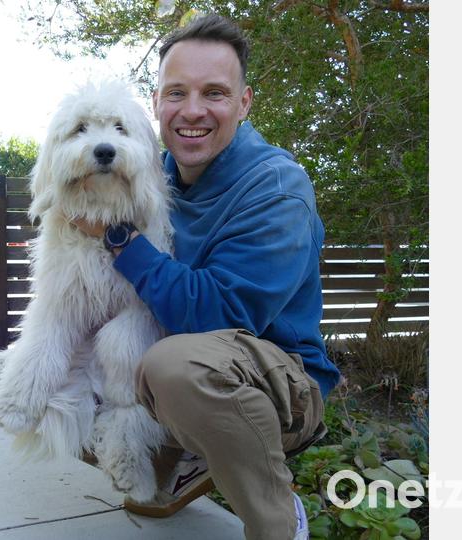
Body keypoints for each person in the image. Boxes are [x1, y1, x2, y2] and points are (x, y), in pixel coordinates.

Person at [73, 13, 341, 540]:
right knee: (51, 370)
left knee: (176, 366)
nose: (192, 111)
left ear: (244, 103)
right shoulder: (155, 173)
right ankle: (191, 459)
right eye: (177, 93)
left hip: (278, 383)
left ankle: (278, 518)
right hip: (190, 365)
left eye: (214, 93)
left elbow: (216, 315)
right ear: (156, 103)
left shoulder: (276, 189)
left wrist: (118, 237)